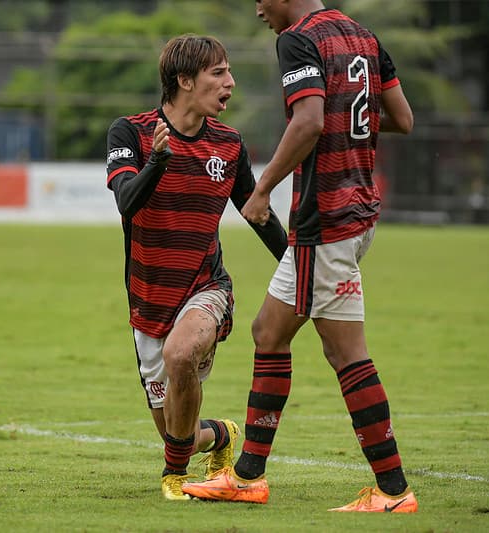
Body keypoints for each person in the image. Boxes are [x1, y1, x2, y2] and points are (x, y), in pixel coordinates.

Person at [181, 0, 417, 513]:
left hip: (324, 220)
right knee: (268, 332)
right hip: (357, 211)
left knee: (346, 353)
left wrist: (262, 188)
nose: (258, 9)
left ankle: (394, 490)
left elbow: (308, 122)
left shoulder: (299, 39)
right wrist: (347, 122)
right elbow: (402, 118)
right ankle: (248, 476)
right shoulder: (363, 36)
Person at [105, 34, 288, 501]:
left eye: (228, 72)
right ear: (185, 80)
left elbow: (257, 213)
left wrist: (298, 264)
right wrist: (157, 161)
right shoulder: (130, 133)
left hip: (207, 288)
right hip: (148, 299)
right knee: (176, 430)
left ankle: (175, 476)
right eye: (218, 73)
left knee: (181, 354)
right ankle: (221, 435)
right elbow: (126, 201)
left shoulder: (228, 145)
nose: (230, 82)